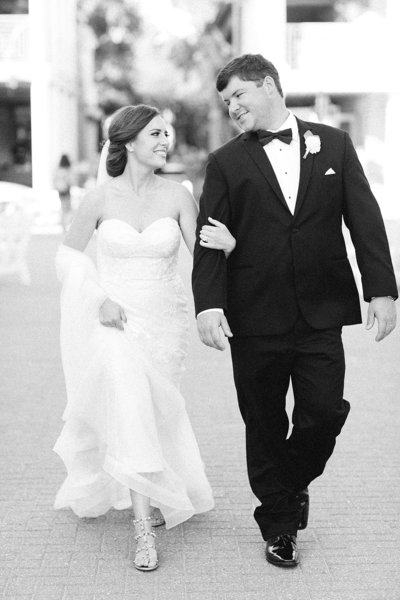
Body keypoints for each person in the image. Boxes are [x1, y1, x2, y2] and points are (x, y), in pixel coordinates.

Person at [192, 54, 397, 568]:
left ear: (268, 86)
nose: (233, 107)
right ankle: (280, 526)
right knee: (262, 421)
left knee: (324, 413)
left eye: (239, 94)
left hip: (322, 310)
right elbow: (208, 243)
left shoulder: (335, 142)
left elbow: (365, 218)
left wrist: (383, 290)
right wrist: (208, 304)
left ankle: (288, 482)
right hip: (253, 314)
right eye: (226, 102)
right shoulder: (225, 163)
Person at [53, 104, 236, 571]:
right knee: (131, 402)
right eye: (155, 134)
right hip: (114, 319)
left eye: (166, 135)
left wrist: (231, 248)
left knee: (153, 410)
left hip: (165, 320)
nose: (164, 142)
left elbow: (204, 257)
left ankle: (150, 489)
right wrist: (97, 298)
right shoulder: (97, 198)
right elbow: (67, 258)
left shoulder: (178, 194)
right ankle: (141, 531)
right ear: (129, 141)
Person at [54, 154, 73, 231]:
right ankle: (66, 224)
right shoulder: (67, 170)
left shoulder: (58, 170)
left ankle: (63, 224)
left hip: (60, 190)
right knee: (67, 208)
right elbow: (69, 180)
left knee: (63, 207)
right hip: (66, 189)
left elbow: (54, 180)